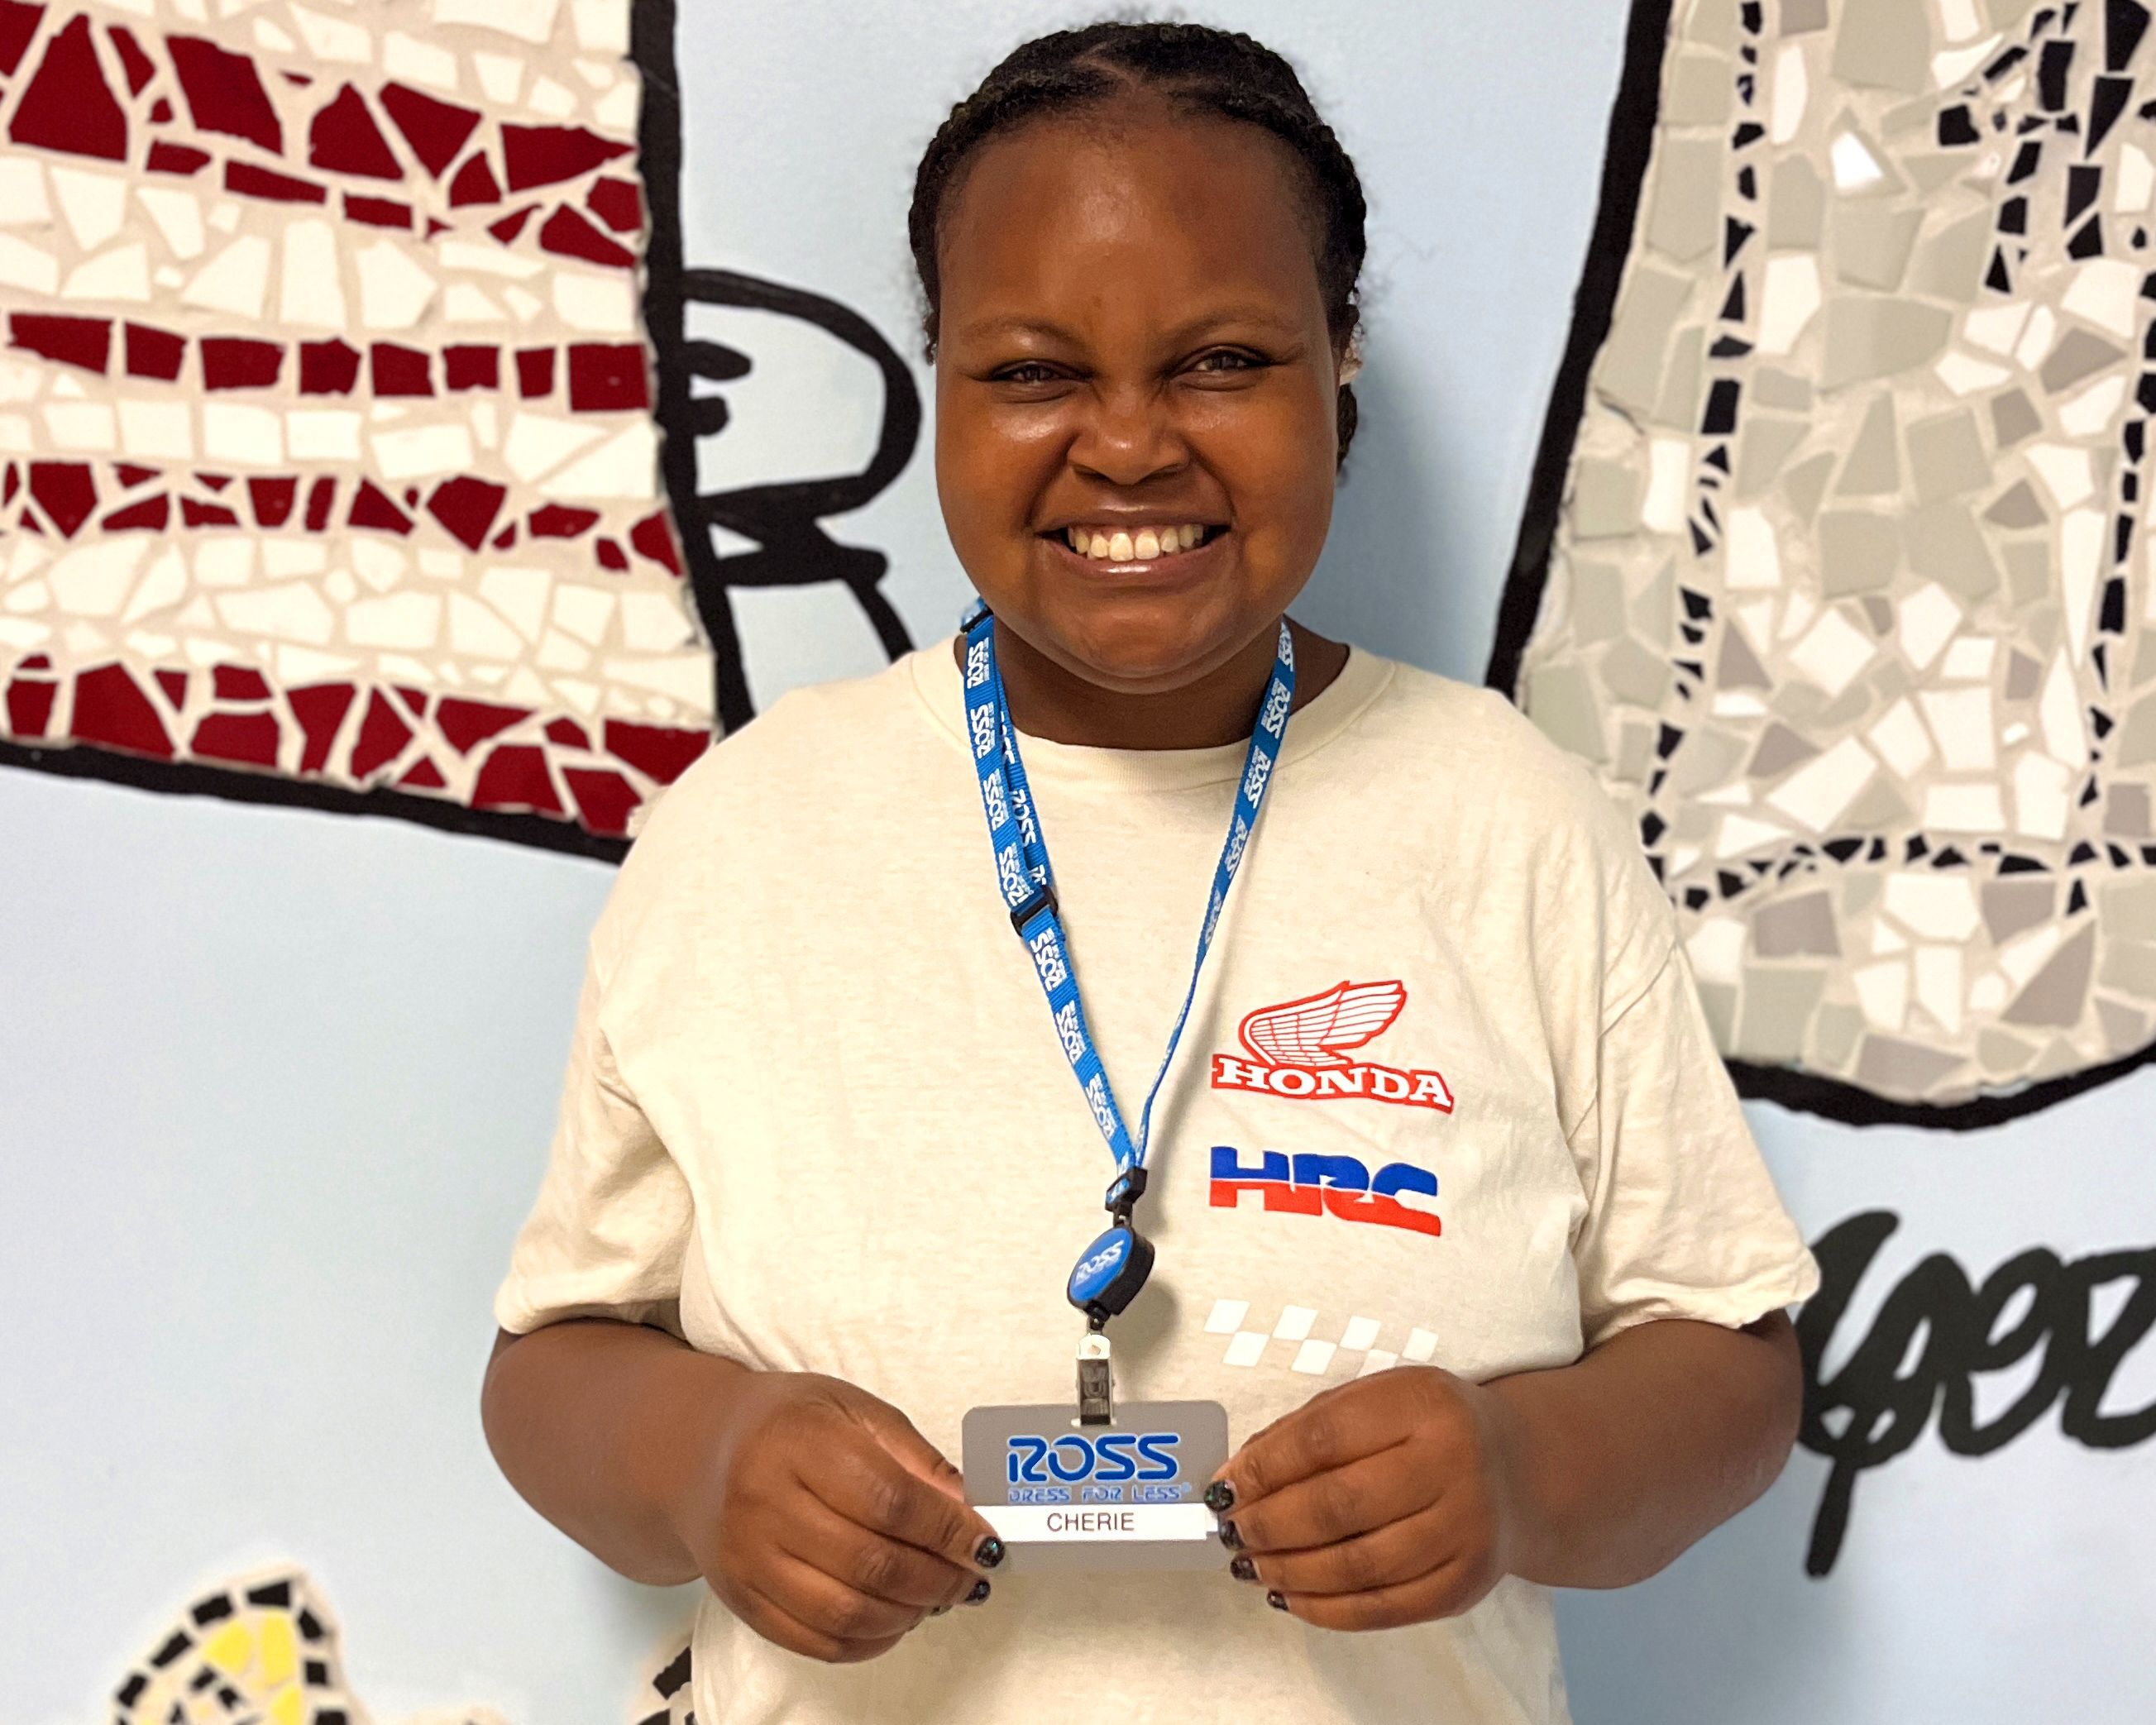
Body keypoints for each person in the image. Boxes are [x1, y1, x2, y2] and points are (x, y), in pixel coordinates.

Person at [480, 21, 1820, 1725]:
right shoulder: (743, 829)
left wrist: (1522, 1464)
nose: (1125, 446)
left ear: (1335, 358)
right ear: (941, 374)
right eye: (1033, 371)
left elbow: (1729, 1361)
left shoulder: (1508, 819)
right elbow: (551, 1361)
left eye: (1220, 361)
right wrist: (700, 1459)